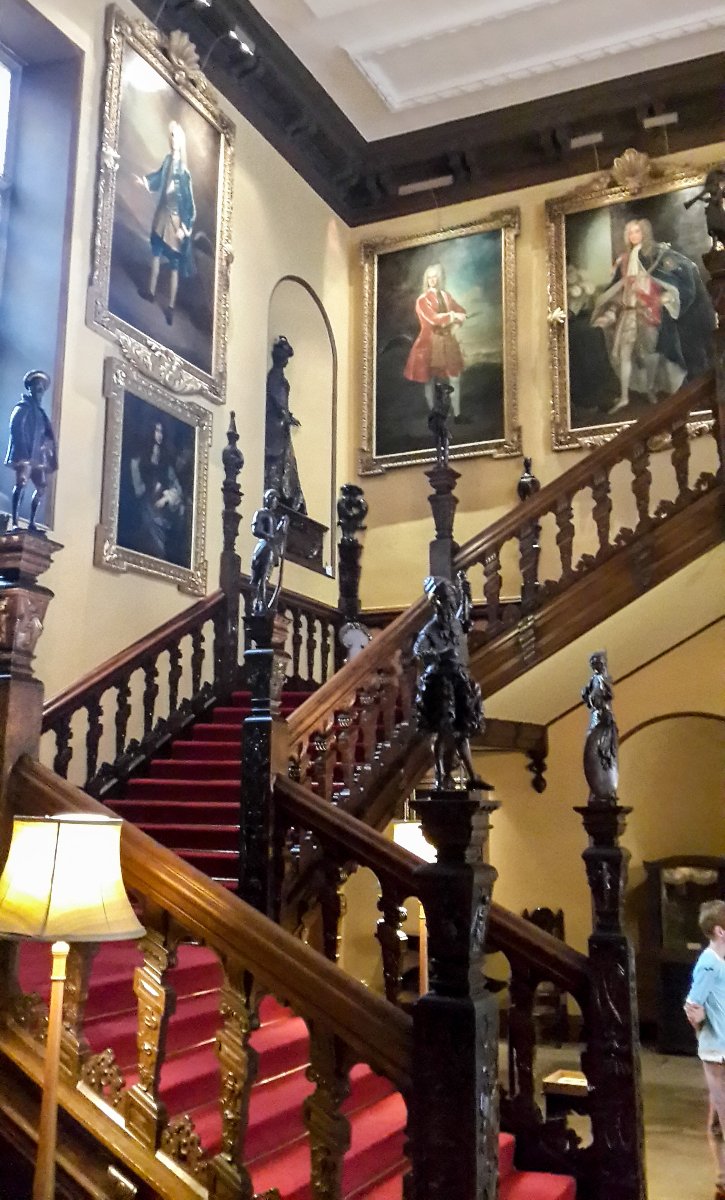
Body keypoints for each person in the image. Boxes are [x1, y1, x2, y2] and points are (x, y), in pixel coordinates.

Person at [590, 218, 715, 413]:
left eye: (637, 231)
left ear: (644, 233)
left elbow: (671, 277)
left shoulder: (653, 255)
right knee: (625, 354)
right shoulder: (623, 260)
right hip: (628, 314)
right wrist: (610, 312)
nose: (633, 236)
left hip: (648, 313)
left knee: (648, 354)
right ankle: (624, 397)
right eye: (630, 232)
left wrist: (663, 298)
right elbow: (617, 290)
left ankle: (650, 390)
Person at [413, 573, 489, 792]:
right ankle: (441, 776)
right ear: (437, 602)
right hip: (439, 682)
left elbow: (463, 617)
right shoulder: (430, 629)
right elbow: (418, 651)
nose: (450, 604)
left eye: (451, 600)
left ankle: (472, 775)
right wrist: (439, 653)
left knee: (462, 730)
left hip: (457, 678)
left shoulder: (454, 622)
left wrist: (466, 591)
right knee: (444, 731)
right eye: (446, 600)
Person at [135, 120, 196, 327]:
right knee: (155, 253)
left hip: (175, 222)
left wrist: (184, 229)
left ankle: (170, 306)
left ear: (181, 141)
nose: (172, 140)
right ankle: (150, 292)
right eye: (170, 136)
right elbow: (159, 177)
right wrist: (145, 182)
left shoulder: (185, 174)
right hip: (162, 215)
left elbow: (189, 206)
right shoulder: (169, 161)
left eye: (175, 136)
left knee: (174, 266)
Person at [684, 900, 725, 1200]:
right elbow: (692, 1006)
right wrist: (704, 1030)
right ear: (720, 931)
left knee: (717, 1121)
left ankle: (722, 1180)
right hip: (718, 1055)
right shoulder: (709, 963)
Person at [404, 263, 467, 419]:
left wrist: (456, 324)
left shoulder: (446, 296)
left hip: (447, 341)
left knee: (455, 377)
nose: (433, 280)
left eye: (435, 277)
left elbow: (462, 312)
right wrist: (452, 316)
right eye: (430, 277)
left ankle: (458, 414)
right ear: (427, 279)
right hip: (428, 344)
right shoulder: (422, 300)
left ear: (440, 279)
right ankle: (434, 413)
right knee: (429, 380)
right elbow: (433, 319)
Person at [119, 416, 186, 564]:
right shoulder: (137, 462)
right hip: (146, 511)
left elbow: (177, 489)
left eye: (161, 432)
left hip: (163, 513)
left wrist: (166, 497)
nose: (159, 435)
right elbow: (137, 492)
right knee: (151, 537)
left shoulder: (166, 464)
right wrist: (153, 490)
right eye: (156, 431)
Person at [5, 369, 58, 530]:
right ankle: (14, 521)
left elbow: (48, 436)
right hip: (25, 455)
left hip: (38, 458)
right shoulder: (23, 407)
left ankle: (32, 523)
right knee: (21, 483)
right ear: (31, 388)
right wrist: (23, 453)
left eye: (42, 386)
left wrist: (48, 451)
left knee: (41, 488)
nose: (40, 388)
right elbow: (16, 428)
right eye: (37, 385)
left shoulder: (42, 414)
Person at [264, 336, 307, 513]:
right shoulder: (274, 376)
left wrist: (288, 415)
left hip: (280, 425)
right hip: (274, 426)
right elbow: (276, 399)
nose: (286, 362)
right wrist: (284, 415)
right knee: (277, 459)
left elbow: (282, 402)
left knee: (285, 460)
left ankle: (284, 493)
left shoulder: (280, 377)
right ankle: (276, 491)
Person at [250, 489, 289, 614]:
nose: (275, 503)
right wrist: (268, 536)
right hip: (264, 547)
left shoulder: (273, 516)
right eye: (274, 499)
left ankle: (262, 602)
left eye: (276, 500)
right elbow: (255, 529)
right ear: (268, 499)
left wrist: (283, 525)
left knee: (266, 578)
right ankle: (260, 603)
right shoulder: (261, 513)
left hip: (272, 548)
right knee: (261, 577)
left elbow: (277, 535)